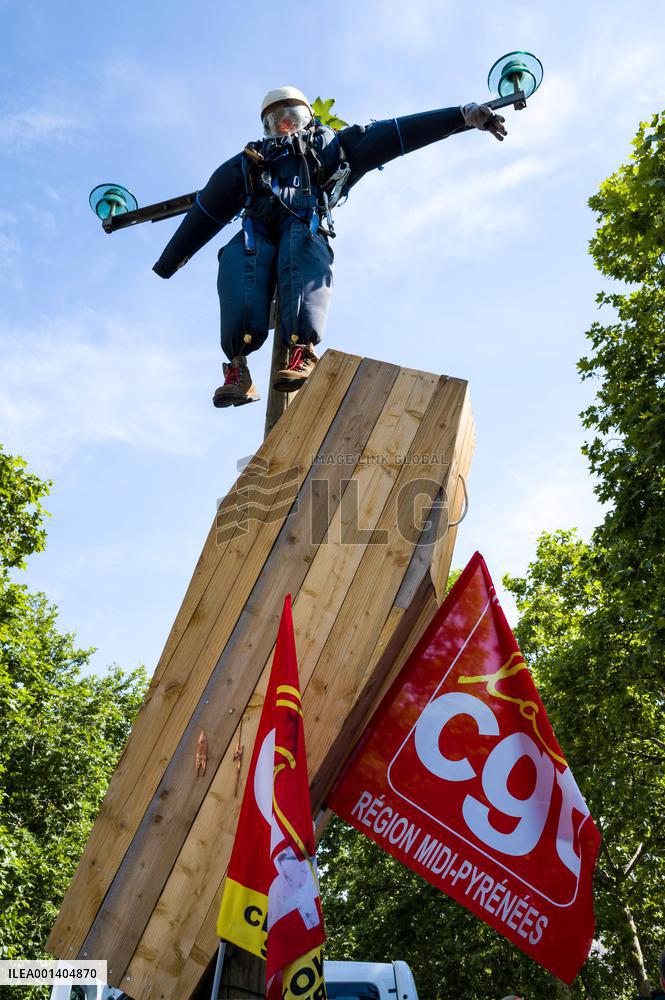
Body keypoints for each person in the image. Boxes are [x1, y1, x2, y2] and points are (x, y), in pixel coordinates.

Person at [152, 87, 507, 408]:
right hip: (256, 227)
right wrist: (168, 262)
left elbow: (395, 133)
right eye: (277, 120)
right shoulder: (250, 161)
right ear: (267, 125)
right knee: (237, 259)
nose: (285, 125)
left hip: (302, 221)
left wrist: (462, 116)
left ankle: (301, 349)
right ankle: (238, 368)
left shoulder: (331, 145)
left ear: (306, 118)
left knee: (300, 248)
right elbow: (208, 208)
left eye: (292, 117)